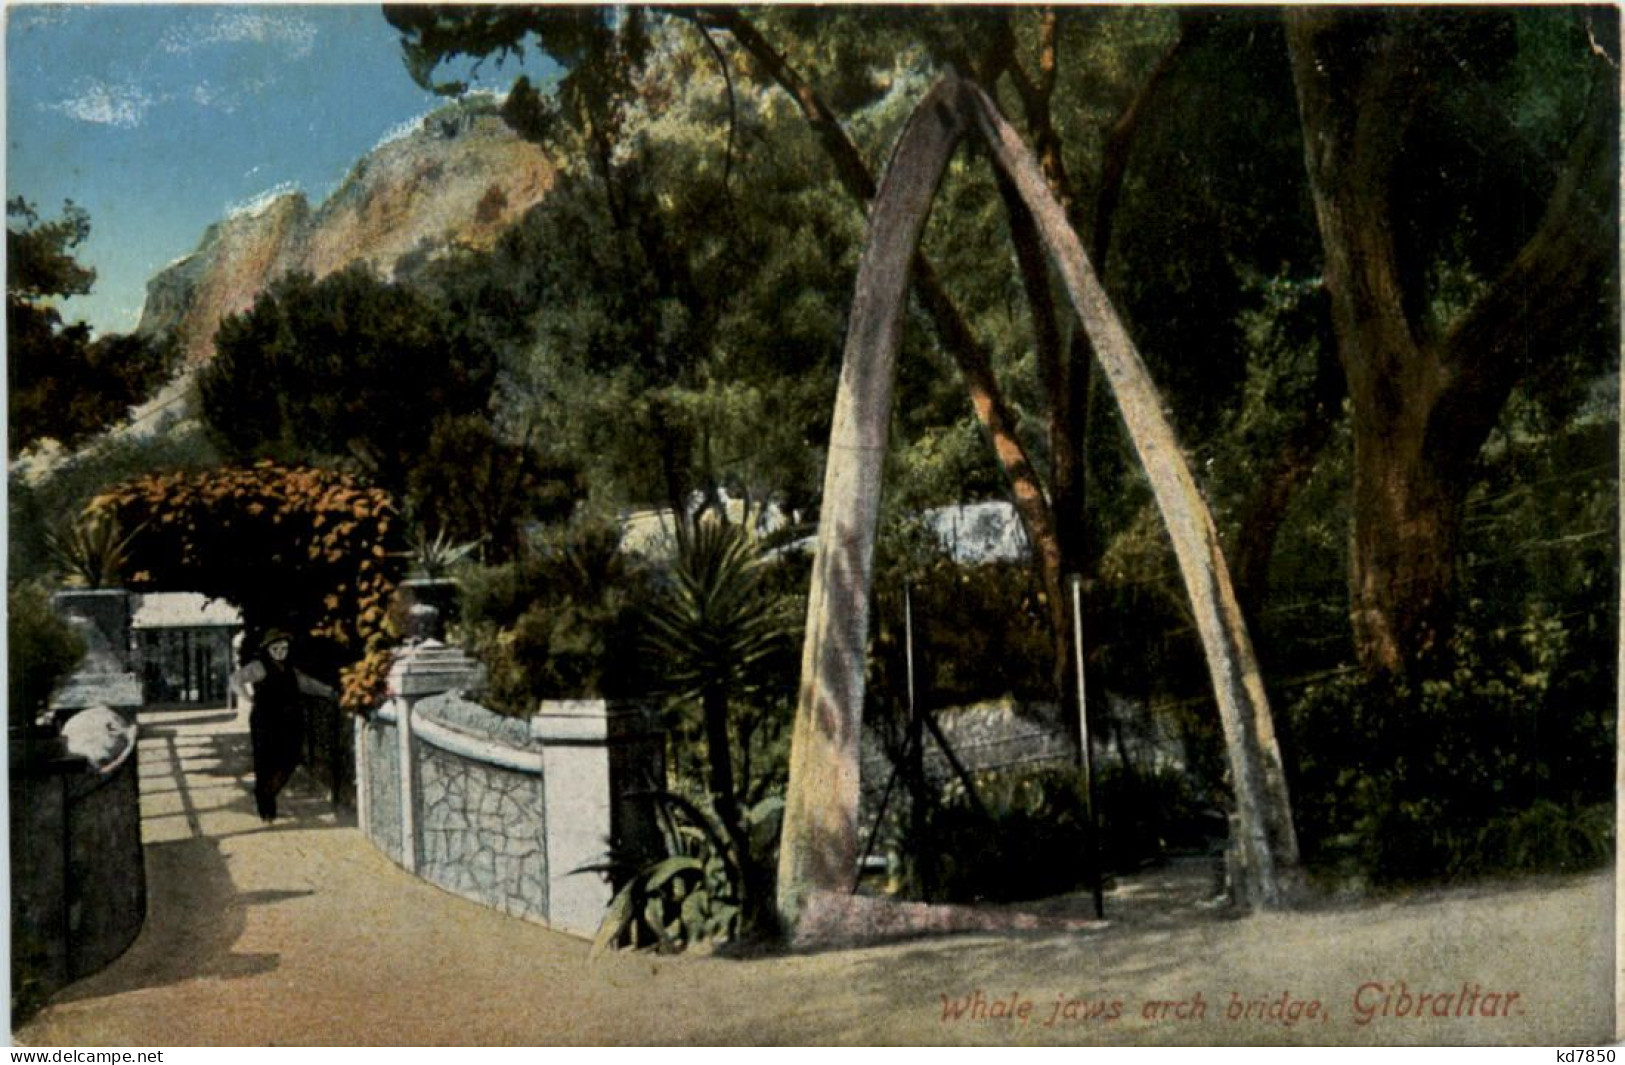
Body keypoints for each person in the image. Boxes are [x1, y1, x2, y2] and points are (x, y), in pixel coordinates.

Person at [231, 629, 335, 822]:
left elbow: (308, 684)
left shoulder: (290, 669)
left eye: (284, 648)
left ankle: (267, 792)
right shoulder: (258, 667)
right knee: (265, 762)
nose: (280, 652)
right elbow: (235, 679)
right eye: (275, 648)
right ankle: (267, 809)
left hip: (289, 721)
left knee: (292, 757)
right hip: (265, 720)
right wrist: (246, 697)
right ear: (268, 649)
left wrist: (330, 692)